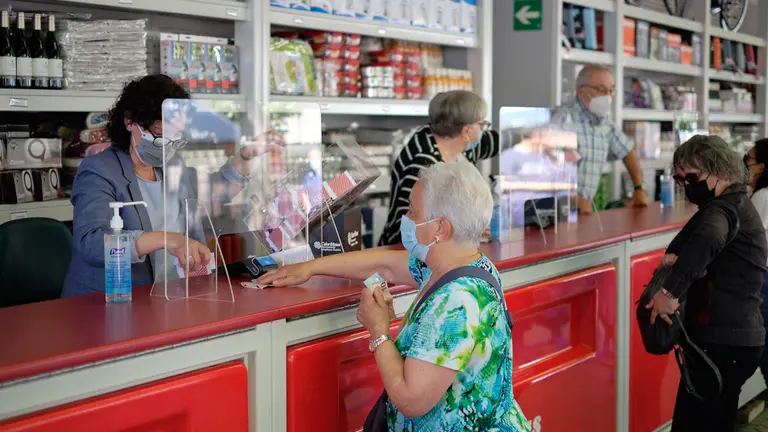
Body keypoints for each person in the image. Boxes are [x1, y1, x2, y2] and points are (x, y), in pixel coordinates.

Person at [259, 161, 531, 431]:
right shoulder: (463, 264)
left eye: (413, 210)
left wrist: (379, 331)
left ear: (440, 228)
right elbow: (387, 264)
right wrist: (308, 268)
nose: (406, 218)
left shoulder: (457, 301)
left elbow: (411, 400)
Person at [62, 74, 263, 297]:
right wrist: (167, 239)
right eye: (160, 134)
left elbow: (214, 193)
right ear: (129, 122)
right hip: (109, 301)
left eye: (176, 136)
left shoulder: (171, 165)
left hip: (169, 293)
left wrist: (245, 157)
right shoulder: (99, 169)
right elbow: (91, 243)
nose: (167, 144)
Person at [646, 135, 767, 431]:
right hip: (734, 339)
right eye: (680, 179)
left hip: (722, 340)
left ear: (721, 170)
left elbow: (710, 237)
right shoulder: (733, 202)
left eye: (693, 176)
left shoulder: (722, 209)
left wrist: (669, 292)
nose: (687, 185)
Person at [378, 90, 499, 246]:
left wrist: (534, 135)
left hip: (441, 245)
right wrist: (469, 228)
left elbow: (497, 141)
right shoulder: (422, 162)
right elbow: (414, 223)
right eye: (482, 125)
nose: (484, 130)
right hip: (407, 251)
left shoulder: (461, 147)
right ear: (466, 131)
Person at [552, 64, 648, 214]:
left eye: (611, 91)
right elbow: (545, 169)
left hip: (583, 212)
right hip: (556, 213)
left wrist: (639, 188)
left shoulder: (605, 124)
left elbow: (627, 150)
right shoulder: (562, 120)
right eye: (602, 90)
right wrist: (574, 199)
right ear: (581, 90)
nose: (608, 97)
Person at [745, 138, 768, 387]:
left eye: (749, 160)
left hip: (763, 280)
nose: (746, 165)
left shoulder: (762, 196)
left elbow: (752, 239)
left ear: (762, 166)